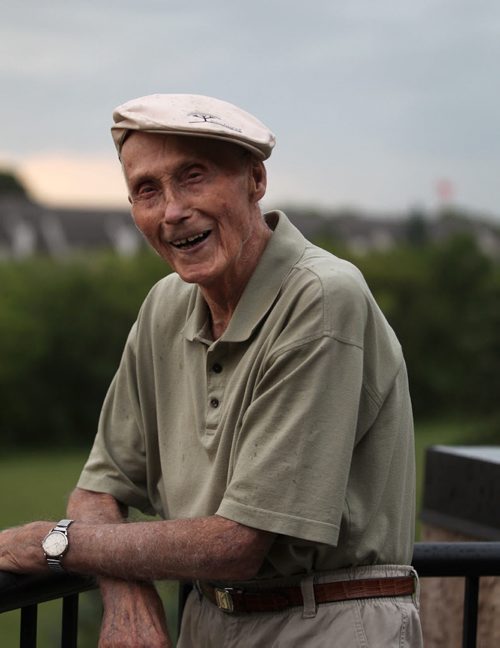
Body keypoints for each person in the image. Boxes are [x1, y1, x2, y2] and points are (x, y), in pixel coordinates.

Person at [0, 94, 423, 647]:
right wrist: (127, 592)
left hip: (326, 623)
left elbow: (238, 543)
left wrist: (49, 545)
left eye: (192, 177)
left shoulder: (321, 298)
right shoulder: (165, 306)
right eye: (147, 190)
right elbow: (99, 488)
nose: (172, 210)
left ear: (255, 179)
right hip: (205, 620)